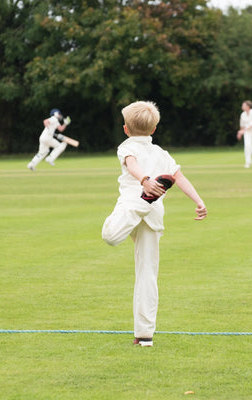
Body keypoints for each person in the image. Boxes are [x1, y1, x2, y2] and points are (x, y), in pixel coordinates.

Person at [101, 101, 207, 347]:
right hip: (154, 211)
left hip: (133, 203)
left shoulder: (126, 146)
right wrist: (199, 201)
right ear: (154, 130)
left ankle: (142, 203)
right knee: (147, 273)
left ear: (126, 129)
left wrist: (145, 181)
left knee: (109, 236)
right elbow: (179, 178)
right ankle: (145, 336)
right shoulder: (162, 153)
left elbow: (132, 164)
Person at [236, 100, 252, 168]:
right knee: (247, 146)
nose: (242, 107)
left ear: (248, 106)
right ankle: (248, 162)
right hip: (247, 133)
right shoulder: (243, 115)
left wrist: (242, 131)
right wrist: (240, 133)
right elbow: (242, 125)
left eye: (243, 105)